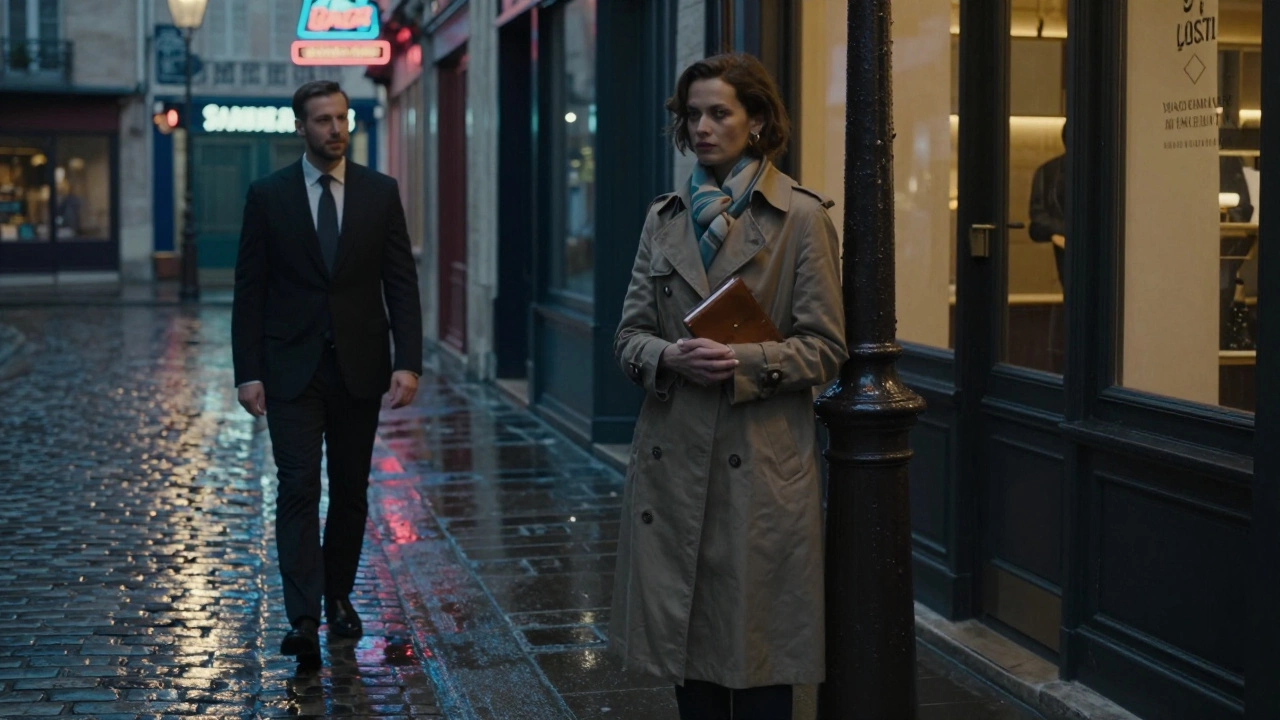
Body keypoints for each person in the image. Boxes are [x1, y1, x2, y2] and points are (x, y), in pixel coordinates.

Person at [609, 53, 847, 720]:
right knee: (692, 669)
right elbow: (627, 338)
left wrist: (740, 365)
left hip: (761, 470)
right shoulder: (665, 219)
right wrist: (669, 357)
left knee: (763, 664)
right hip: (674, 462)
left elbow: (826, 348)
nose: (705, 127)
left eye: (721, 112)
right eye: (694, 114)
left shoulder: (801, 218)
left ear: (759, 121)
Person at [231, 80, 422, 666]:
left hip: (359, 368)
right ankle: (303, 619)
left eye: (340, 119)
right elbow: (249, 291)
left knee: (349, 494)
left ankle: (338, 594)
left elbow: (400, 283)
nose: (335, 129)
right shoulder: (268, 196)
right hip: (290, 370)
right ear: (300, 127)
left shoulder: (379, 193)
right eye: (321, 120)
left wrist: (408, 361)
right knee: (296, 488)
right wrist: (248, 372)